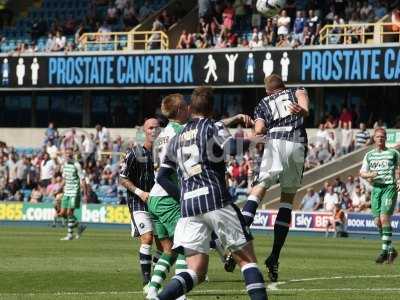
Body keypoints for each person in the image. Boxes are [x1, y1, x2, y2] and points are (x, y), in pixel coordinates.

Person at [153, 87, 267, 300]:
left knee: (195, 270)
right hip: (214, 199)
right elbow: (232, 147)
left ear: (190, 108)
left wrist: (182, 196)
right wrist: (256, 138)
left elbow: (161, 177)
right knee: (247, 261)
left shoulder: (175, 140)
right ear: (212, 108)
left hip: (189, 207)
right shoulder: (211, 127)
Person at [240, 74, 309, 282]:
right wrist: (301, 111)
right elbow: (305, 109)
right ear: (283, 86)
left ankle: (237, 244)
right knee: (287, 200)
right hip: (296, 143)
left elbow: (259, 130)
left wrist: (256, 126)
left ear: (268, 91)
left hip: (276, 142)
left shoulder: (263, 102)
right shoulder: (297, 90)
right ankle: (274, 257)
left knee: (258, 191)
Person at [119, 118, 161, 290]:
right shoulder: (135, 152)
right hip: (138, 201)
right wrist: (140, 193)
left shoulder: (166, 153)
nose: (154, 130)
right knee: (147, 238)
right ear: (145, 131)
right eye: (150, 128)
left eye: (157, 128)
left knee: (166, 246)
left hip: (159, 202)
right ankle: (147, 283)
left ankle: (156, 274)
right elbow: (122, 178)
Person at [360, 128, 400, 264]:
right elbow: (362, 173)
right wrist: (370, 175)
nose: (380, 139)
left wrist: (399, 180)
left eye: (382, 137)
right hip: (376, 189)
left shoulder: (393, 153)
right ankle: (391, 250)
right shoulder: (369, 155)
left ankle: (384, 252)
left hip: (389, 188)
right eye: (377, 137)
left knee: (384, 218)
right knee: (377, 221)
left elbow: (399, 169)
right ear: (374, 138)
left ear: (386, 138)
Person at [59, 148, 87, 240]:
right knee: (62, 213)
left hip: (74, 191)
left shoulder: (77, 165)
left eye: (69, 154)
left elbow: (82, 179)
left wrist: (85, 193)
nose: (67, 155)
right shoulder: (64, 165)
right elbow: (64, 179)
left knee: (69, 212)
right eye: (66, 154)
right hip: (66, 191)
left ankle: (70, 235)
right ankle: (79, 227)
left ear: (72, 155)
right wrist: (58, 189)